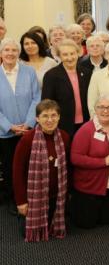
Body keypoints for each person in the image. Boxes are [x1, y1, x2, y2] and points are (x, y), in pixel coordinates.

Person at [12, 99, 70, 241]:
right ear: (37, 118)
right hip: (33, 199)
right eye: (45, 116)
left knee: (56, 225)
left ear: (59, 117)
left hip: (56, 197)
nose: (49, 120)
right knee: (26, 233)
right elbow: (17, 172)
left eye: (53, 115)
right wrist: (21, 201)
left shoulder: (64, 137)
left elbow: (69, 167)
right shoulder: (27, 139)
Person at [70, 94, 109, 229]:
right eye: (101, 107)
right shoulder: (86, 130)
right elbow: (75, 158)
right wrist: (103, 162)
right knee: (86, 224)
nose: (105, 111)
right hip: (90, 187)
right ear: (95, 109)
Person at [0, 39, 41, 212]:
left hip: (28, 131)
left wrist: (29, 123)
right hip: (5, 133)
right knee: (10, 168)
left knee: (29, 166)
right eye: (6, 50)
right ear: (1, 53)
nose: (10, 53)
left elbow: (36, 98)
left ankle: (31, 198)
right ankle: (15, 200)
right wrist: (9, 126)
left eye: (13, 50)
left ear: (18, 53)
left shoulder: (29, 72)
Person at [42, 39, 91, 137]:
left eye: (72, 53)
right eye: (65, 54)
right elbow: (47, 103)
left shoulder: (87, 73)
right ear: (59, 56)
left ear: (78, 53)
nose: (69, 58)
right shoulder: (51, 75)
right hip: (63, 125)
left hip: (86, 123)